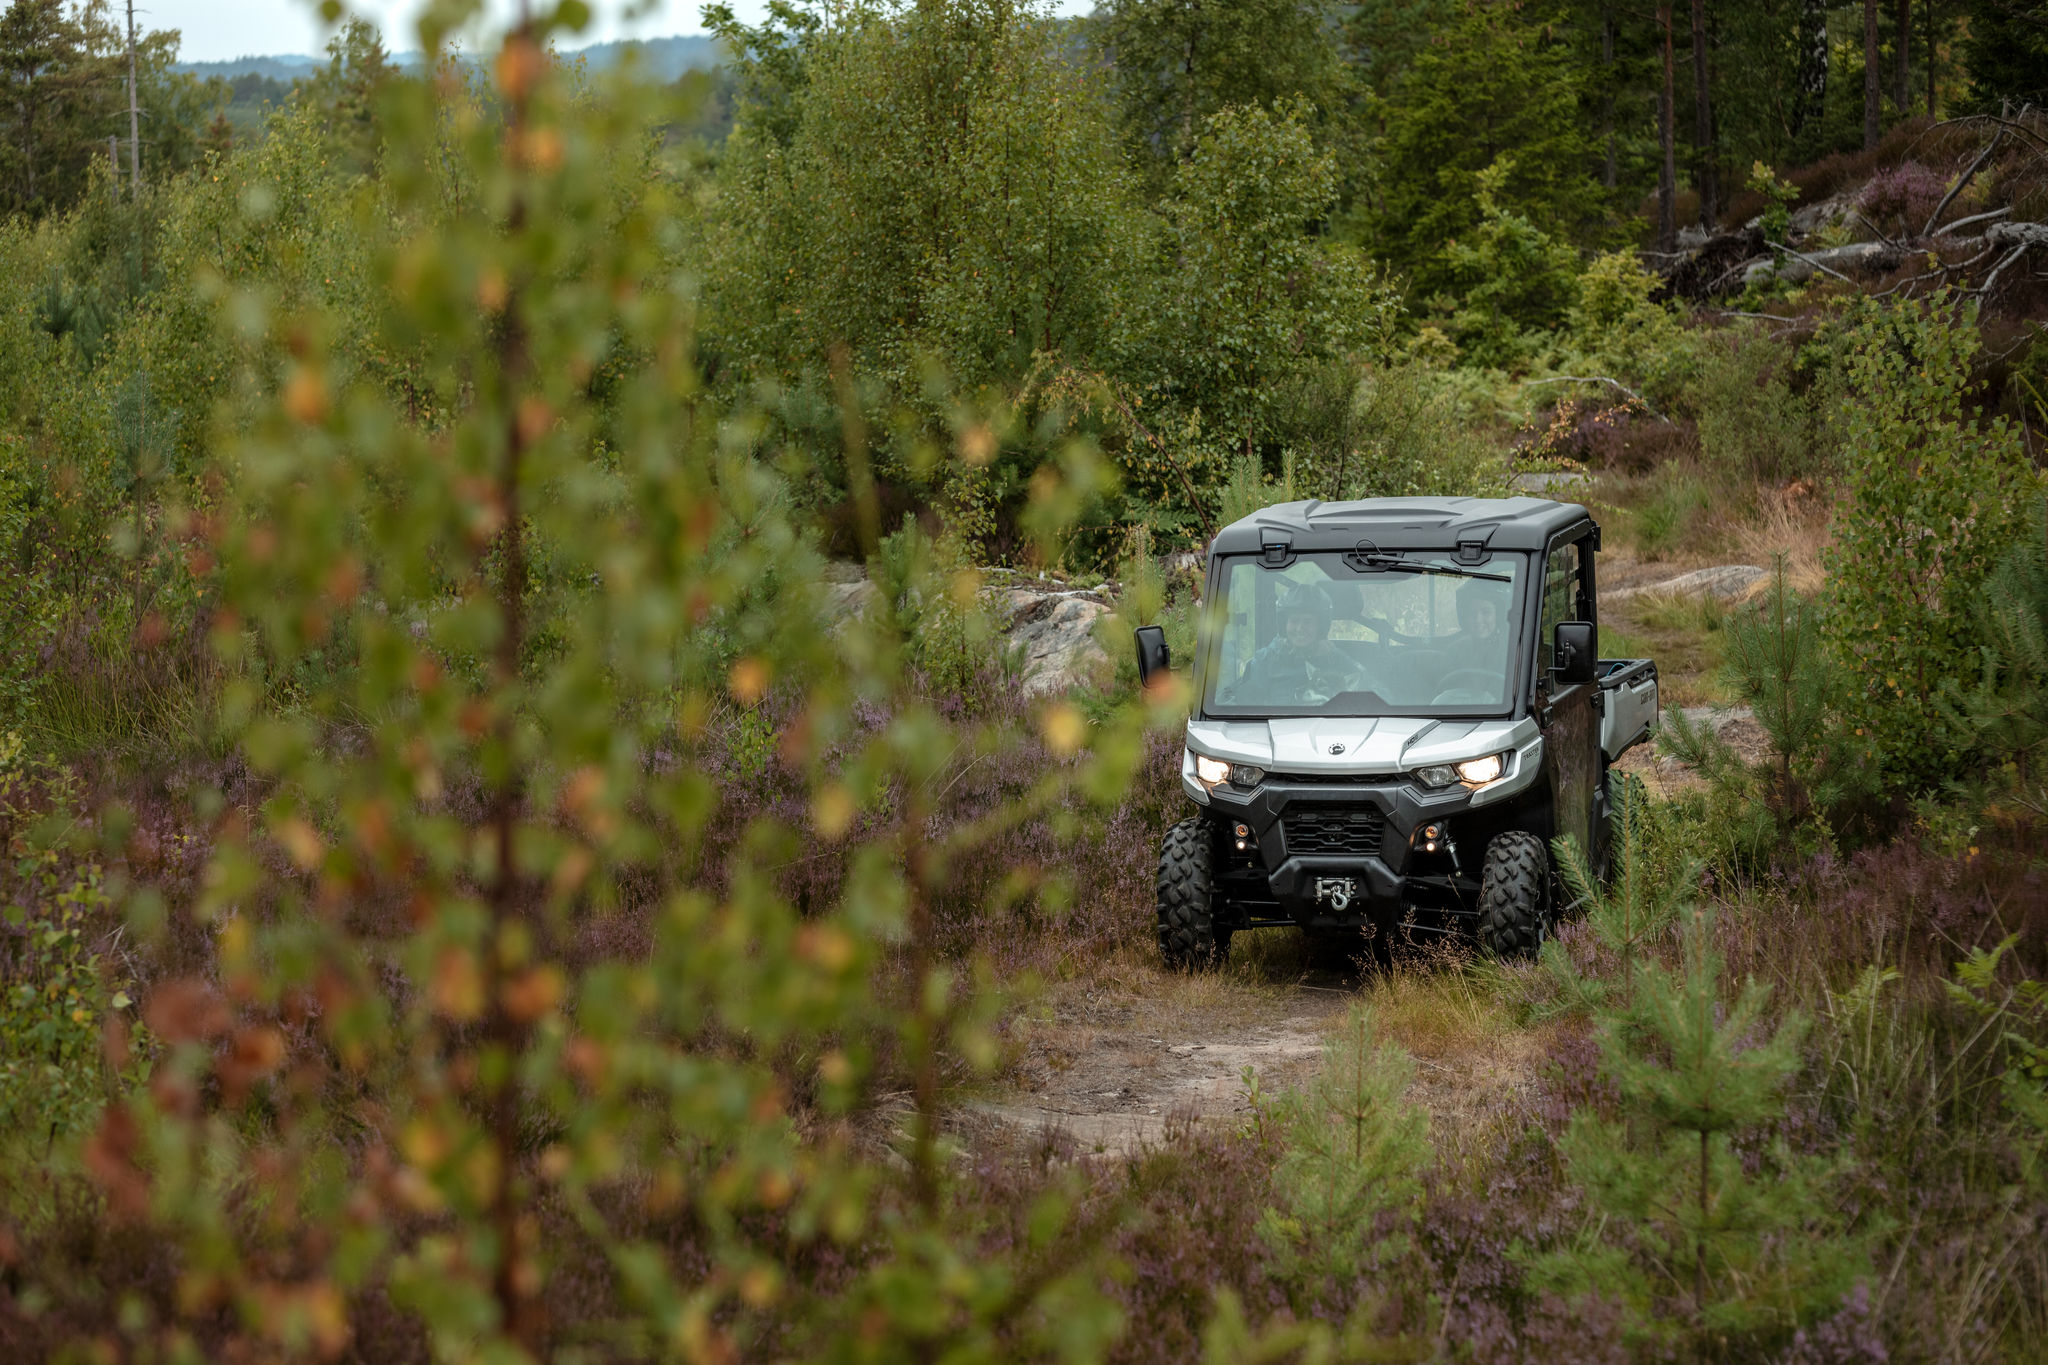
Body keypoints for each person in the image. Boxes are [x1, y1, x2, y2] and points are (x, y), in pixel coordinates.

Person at [1234, 581, 1368, 702]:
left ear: (1320, 627)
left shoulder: (1337, 660)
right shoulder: (1263, 661)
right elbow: (1245, 706)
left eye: (1308, 622)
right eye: (1294, 621)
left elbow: (1374, 695)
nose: (1300, 629)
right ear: (1284, 625)